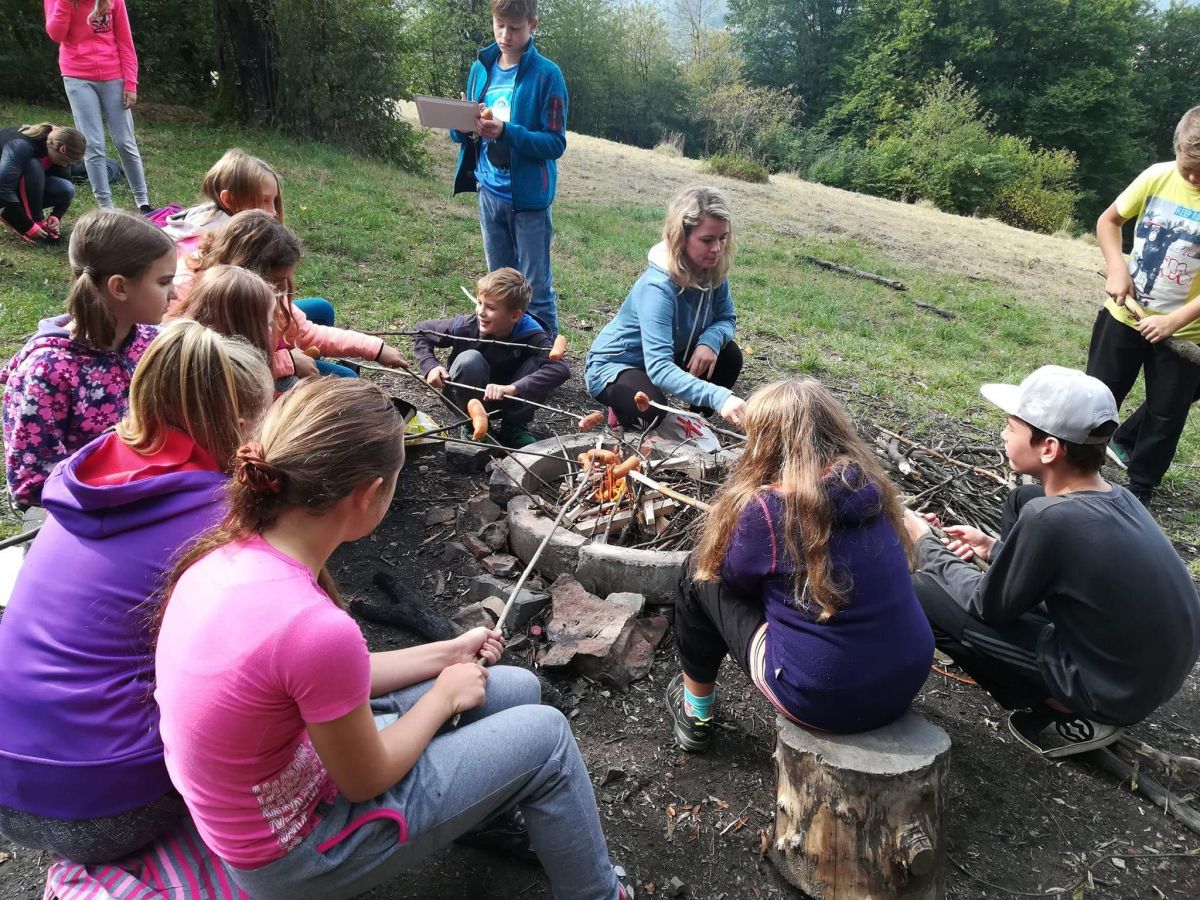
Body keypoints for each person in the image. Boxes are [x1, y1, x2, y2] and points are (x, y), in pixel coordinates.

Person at [154, 378, 632, 899]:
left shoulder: (223, 558)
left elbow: (325, 681)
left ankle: (485, 805)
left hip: (283, 787)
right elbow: (365, 779)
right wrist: (443, 696)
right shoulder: (312, 627)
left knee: (516, 688)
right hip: (302, 854)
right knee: (548, 738)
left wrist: (449, 653)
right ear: (368, 495)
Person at [0, 320, 274, 863]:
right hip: (109, 804)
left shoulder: (92, 467)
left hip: (10, 782)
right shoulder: (220, 516)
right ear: (243, 423)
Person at [906, 365, 1200, 759]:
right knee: (1022, 499)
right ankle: (1035, 637)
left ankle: (1063, 712)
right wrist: (995, 549)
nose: (1003, 434)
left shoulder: (1050, 520)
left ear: (1048, 448)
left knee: (921, 592)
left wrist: (924, 543)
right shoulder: (1120, 498)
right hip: (1146, 671)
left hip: (1111, 691)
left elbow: (984, 607)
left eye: (1011, 427)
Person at [667, 378, 933, 752]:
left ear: (766, 444)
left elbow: (733, 581)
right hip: (907, 676)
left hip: (822, 698)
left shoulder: (770, 509)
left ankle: (695, 713)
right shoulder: (870, 485)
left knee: (699, 573)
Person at [1, 207, 175, 507]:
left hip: (148, 485)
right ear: (119, 287)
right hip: (80, 510)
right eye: (164, 282)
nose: (175, 294)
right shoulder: (47, 370)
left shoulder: (152, 341)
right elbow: (30, 481)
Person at [1085, 105, 1200, 505]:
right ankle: (1080, 470)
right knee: (1097, 397)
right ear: (1177, 150)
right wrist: (1116, 267)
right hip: (1123, 317)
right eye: (1188, 168)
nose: (1193, 178)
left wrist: (1174, 321)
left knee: (1165, 416)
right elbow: (1109, 221)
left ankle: (1139, 490)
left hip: (1184, 334)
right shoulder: (1156, 176)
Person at [173, 210, 409, 382]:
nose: (285, 287)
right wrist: (288, 362)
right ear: (247, 275)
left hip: (263, 360)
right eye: (277, 280)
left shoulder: (261, 292)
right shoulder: (196, 302)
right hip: (239, 382)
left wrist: (375, 348)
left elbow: (307, 333)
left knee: (321, 311)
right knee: (346, 379)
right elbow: (219, 370)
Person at [450, 0, 568, 338]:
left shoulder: (547, 75)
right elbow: (462, 135)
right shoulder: (481, 69)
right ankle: (505, 354)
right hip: (489, 192)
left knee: (535, 289)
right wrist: (462, 123)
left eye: (514, 28)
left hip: (528, 201)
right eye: (499, 25)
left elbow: (554, 143)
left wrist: (506, 131)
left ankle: (544, 357)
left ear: (533, 25)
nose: (505, 35)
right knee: (498, 289)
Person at [586, 186, 746, 429]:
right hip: (616, 365)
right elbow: (660, 368)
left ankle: (696, 423)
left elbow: (726, 318)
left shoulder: (713, 272)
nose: (716, 249)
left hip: (670, 353)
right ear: (681, 237)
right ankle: (622, 409)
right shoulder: (658, 287)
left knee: (729, 357)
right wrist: (719, 397)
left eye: (722, 238)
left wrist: (710, 341)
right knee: (652, 409)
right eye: (707, 240)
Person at [414, 266, 568, 448]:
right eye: (479, 302)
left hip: (510, 398)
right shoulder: (466, 326)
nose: (481, 312)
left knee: (540, 364)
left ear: (515, 316)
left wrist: (512, 388)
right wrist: (430, 366)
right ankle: (472, 424)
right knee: (469, 360)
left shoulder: (531, 333)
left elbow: (560, 369)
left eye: (490, 307)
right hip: (469, 394)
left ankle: (514, 425)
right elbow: (421, 330)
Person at [44, 0, 152, 212]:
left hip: (114, 75)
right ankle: (105, 207)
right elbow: (56, 34)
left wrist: (130, 83)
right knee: (93, 144)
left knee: (125, 141)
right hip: (77, 76)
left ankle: (143, 202)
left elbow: (125, 41)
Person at [161, 148, 283, 257]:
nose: (273, 211)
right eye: (264, 200)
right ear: (229, 200)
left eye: (274, 200)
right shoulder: (222, 243)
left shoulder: (214, 215)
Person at [168, 262, 278, 362]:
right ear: (244, 329)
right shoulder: (235, 371)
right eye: (268, 324)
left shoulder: (177, 347)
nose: (270, 330)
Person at [0, 122, 85, 245]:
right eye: (67, 161)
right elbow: (3, 189)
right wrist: (28, 225)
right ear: (62, 149)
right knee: (34, 166)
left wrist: (56, 216)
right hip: (3, 189)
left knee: (67, 188)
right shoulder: (21, 146)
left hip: (12, 187)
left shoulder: (55, 150)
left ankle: (11, 214)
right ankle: (27, 219)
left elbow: (67, 185)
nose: (66, 165)